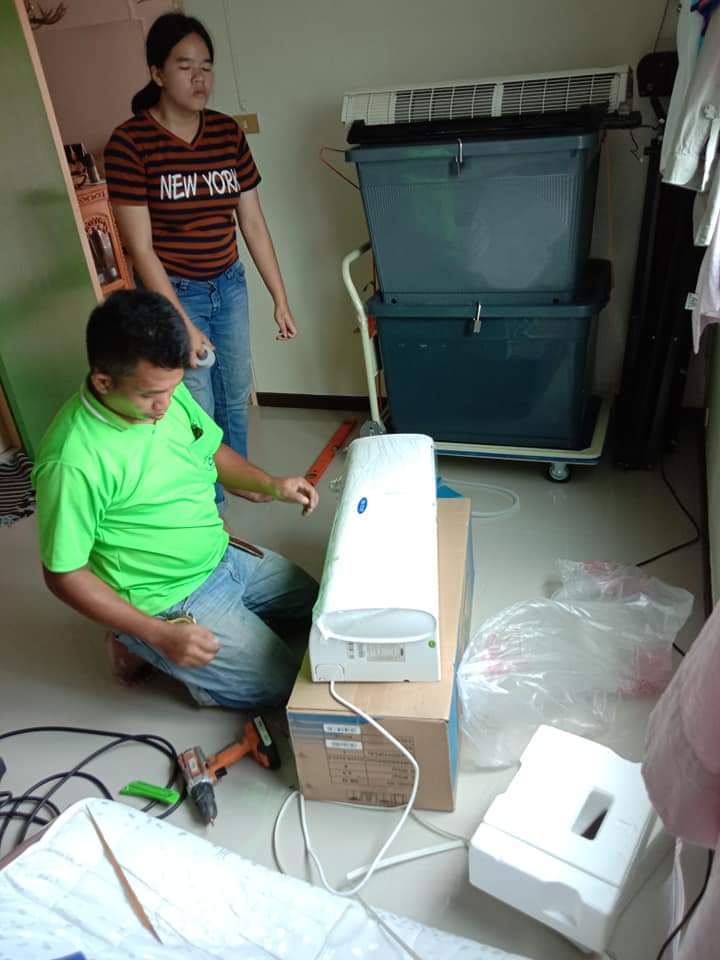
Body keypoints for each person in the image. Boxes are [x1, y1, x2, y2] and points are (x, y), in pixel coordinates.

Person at [32, 290, 319, 709]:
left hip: (221, 553)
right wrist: (160, 635)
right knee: (284, 686)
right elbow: (64, 574)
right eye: (151, 395)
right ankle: (142, 643)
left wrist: (272, 485)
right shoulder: (73, 461)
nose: (165, 405)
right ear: (103, 381)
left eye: (173, 387)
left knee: (321, 608)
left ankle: (201, 635)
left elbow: (212, 451)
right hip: (168, 598)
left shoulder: (165, 389)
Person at [104, 12, 296, 503]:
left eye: (206, 67)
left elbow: (252, 222)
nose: (199, 79)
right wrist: (183, 324)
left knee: (235, 389)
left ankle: (239, 477)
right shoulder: (130, 143)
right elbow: (140, 249)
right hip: (175, 290)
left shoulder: (227, 133)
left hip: (229, 284)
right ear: (157, 72)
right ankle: (207, 502)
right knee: (197, 401)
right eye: (185, 66)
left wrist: (279, 296)